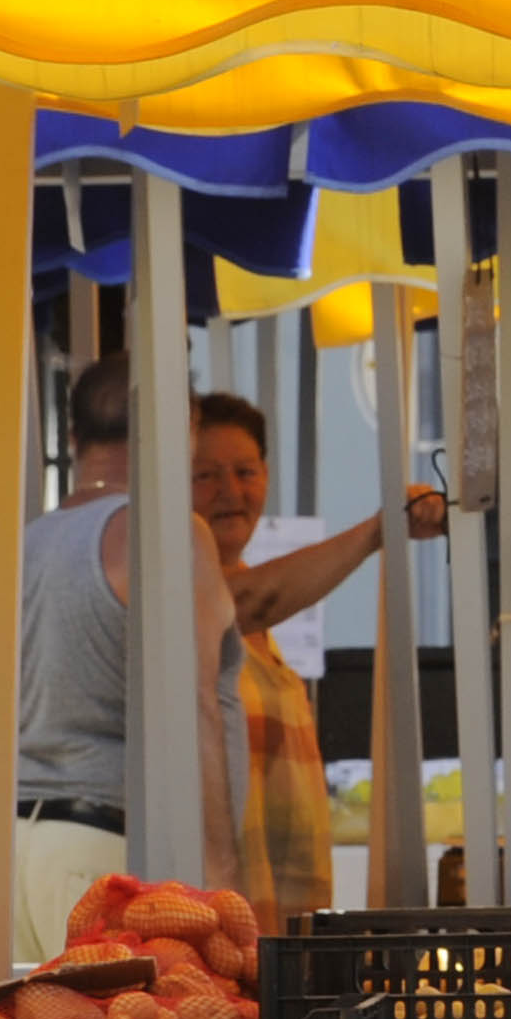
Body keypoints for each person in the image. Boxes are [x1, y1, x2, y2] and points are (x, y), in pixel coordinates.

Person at [188, 390, 409, 931]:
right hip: (226, 918)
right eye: (205, 476)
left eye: (245, 472)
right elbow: (250, 600)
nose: (230, 493)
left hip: (285, 921)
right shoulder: (191, 602)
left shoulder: (261, 620)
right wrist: (376, 533)